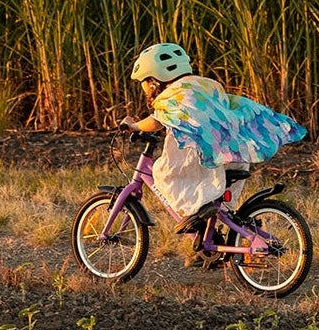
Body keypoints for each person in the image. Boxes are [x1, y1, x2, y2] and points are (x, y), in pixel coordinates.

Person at [120, 42, 307, 234]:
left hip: (206, 156)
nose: (144, 88)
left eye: (143, 81)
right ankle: (209, 242)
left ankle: (195, 212)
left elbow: (156, 120)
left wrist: (133, 126)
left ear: (153, 80)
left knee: (165, 173)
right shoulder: (206, 85)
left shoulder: (175, 93)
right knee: (217, 206)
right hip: (233, 153)